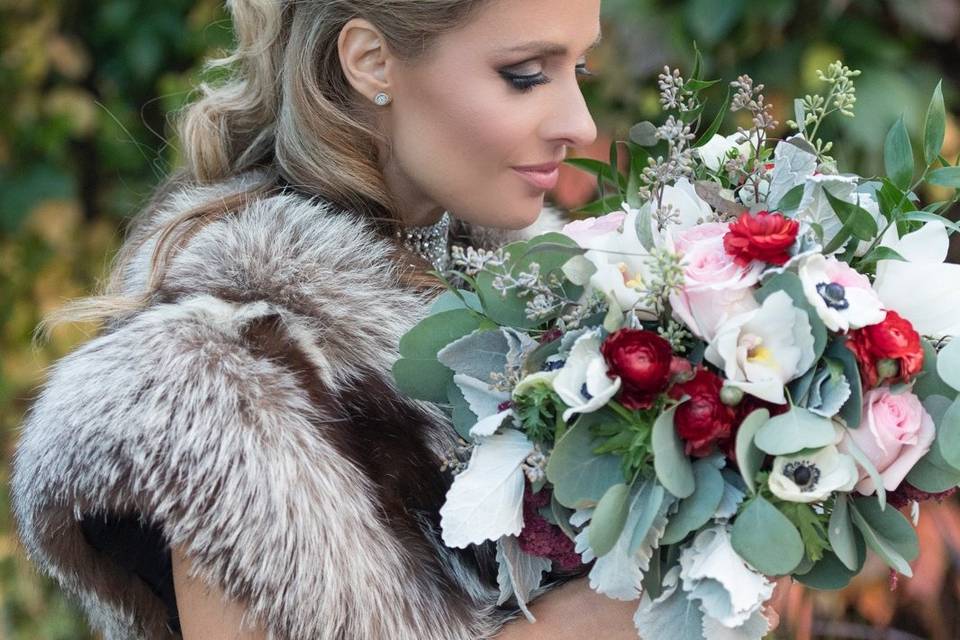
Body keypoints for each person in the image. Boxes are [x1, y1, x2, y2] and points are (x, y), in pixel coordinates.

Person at [11, 0, 644, 638]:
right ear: (372, 62)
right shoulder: (224, 370)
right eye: (527, 74)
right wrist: (589, 622)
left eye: (580, 70)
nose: (580, 124)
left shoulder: (562, 294)